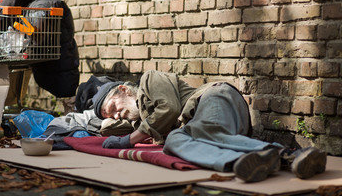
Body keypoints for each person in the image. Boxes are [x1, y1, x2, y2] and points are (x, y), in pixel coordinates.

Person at [92, 70, 327, 182]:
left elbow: (170, 108)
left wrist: (129, 140)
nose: (115, 115)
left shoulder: (149, 81)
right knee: (173, 141)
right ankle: (245, 161)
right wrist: (112, 122)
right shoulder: (138, 119)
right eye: (110, 115)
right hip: (208, 129)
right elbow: (107, 129)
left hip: (214, 99)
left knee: (202, 129)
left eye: (113, 107)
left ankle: (288, 153)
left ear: (123, 89)